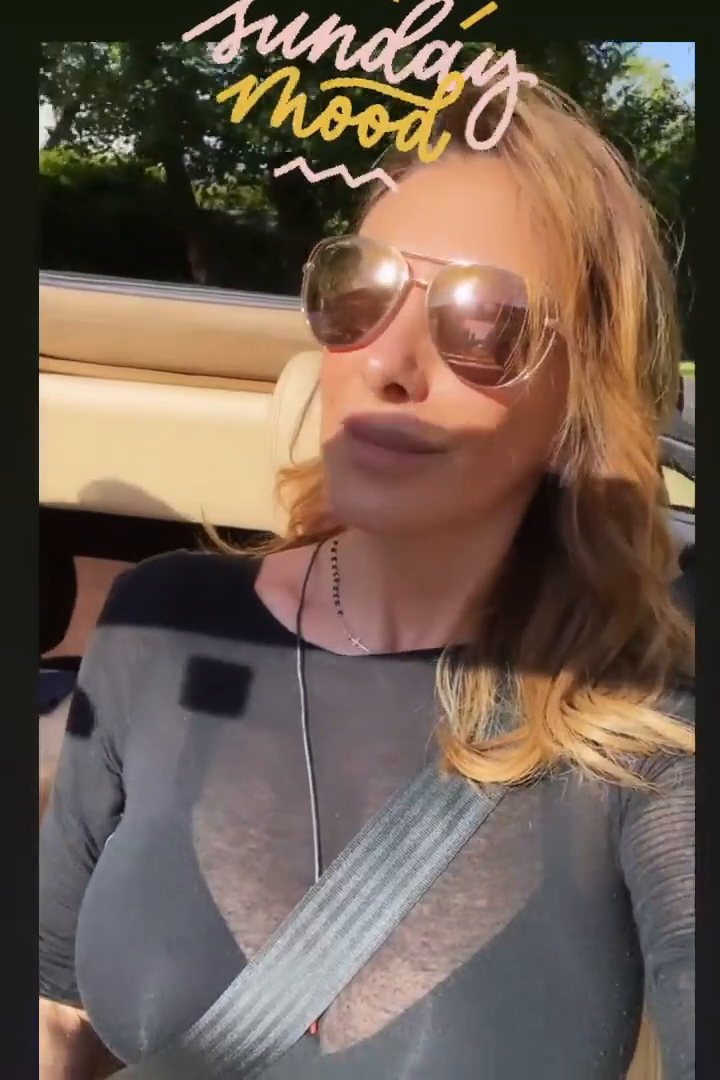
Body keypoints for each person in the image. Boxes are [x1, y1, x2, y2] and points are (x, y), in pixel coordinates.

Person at [39, 81, 694, 1079]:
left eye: (485, 320)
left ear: (581, 398)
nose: (388, 358)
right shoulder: (161, 623)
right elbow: (53, 1012)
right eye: (361, 288)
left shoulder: (641, 711)